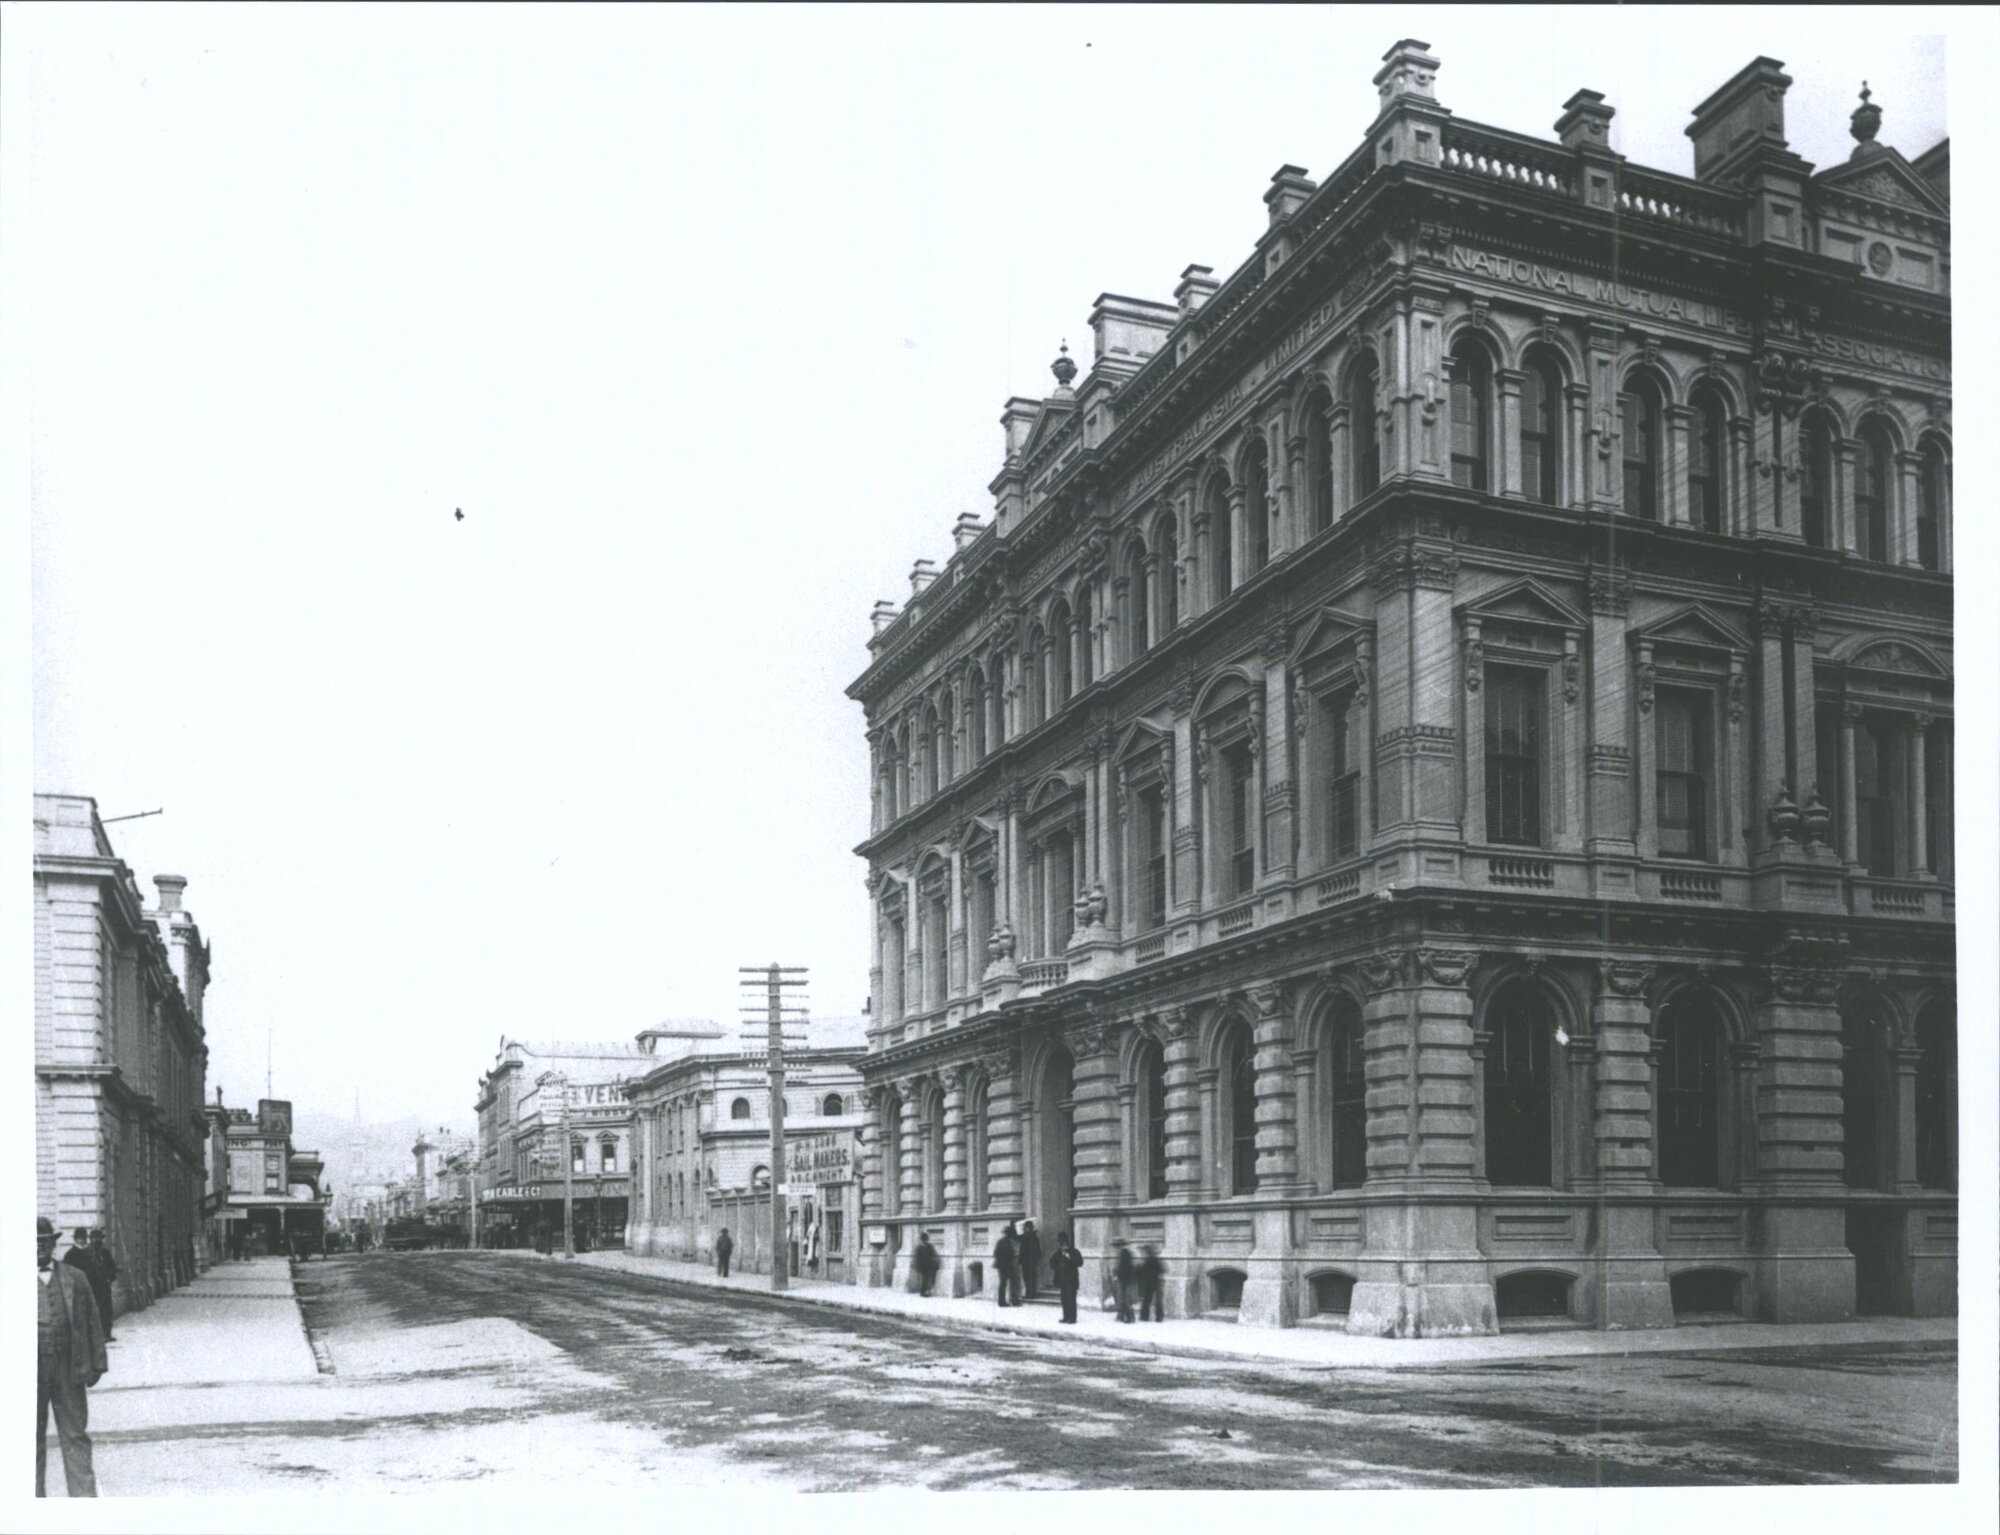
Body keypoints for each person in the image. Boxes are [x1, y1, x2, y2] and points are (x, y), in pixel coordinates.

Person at [39, 1217, 106, 1497]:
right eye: (32, 1243)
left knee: (75, 1434)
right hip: (28, 1370)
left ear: (53, 1244)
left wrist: (97, 1364)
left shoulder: (74, 1277)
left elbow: (93, 1319)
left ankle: (83, 1503)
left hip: (69, 1365)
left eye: (44, 1242)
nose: (38, 1248)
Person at [66, 1229, 113, 1344]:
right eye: (81, 1238)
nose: (83, 1240)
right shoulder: (70, 1254)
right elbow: (68, 1273)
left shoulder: (88, 1252)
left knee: (99, 1311)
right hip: (79, 1288)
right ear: (75, 1239)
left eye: (84, 1238)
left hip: (94, 1286)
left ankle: (103, 1334)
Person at [1049, 1230, 1083, 1324]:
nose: (1062, 1245)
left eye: (1063, 1242)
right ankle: (1066, 1316)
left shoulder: (1074, 1251)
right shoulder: (1059, 1252)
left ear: (1067, 1242)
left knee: (1071, 1298)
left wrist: (1070, 1258)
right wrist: (1057, 1268)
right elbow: (1051, 1261)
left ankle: (1072, 1318)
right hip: (1062, 1279)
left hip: (1072, 1279)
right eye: (1061, 1243)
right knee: (1064, 1298)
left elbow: (1080, 1263)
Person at [992, 1222, 1021, 1307]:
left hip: (1001, 1265)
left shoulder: (1001, 1241)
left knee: (1003, 1284)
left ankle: (1002, 1301)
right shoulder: (1007, 1242)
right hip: (1006, 1265)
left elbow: (996, 1253)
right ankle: (1013, 1301)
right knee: (1012, 1283)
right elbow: (1007, 1253)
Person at [1138, 1243, 1166, 1322]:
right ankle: (1159, 1317)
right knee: (1157, 1301)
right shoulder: (1156, 1259)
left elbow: (1143, 1271)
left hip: (1149, 1283)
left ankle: (1144, 1316)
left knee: (1147, 1300)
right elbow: (1162, 1270)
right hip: (1156, 1282)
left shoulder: (1148, 1260)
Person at [1112, 1238, 1137, 1323]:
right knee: (1122, 1298)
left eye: (1117, 1246)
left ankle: (1129, 1317)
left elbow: (1124, 1268)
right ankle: (1122, 1316)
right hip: (1124, 1279)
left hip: (1124, 1279)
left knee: (1125, 1299)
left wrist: (1118, 1276)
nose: (1116, 1248)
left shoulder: (1124, 1253)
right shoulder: (1124, 1253)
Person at [1018, 1219, 1043, 1301]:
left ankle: (1031, 1294)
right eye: (1026, 1228)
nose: (1026, 1229)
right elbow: (1016, 1237)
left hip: (1030, 1261)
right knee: (1027, 1277)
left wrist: (1035, 1259)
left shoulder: (1032, 1237)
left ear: (1030, 1228)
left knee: (1030, 1277)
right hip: (1026, 1261)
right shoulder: (1026, 1236)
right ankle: (1029, 1293)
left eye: (1027, 1228)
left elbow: (1038, 1250)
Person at [912, 1233, 940, 1297]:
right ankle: (923, 1292)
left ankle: (928, 1291)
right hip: (923, 1266)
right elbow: (917, 1259)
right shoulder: (919, 1248)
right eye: (923, 1239)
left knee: (930, 1279)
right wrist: (918, 1267)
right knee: (925, 1280)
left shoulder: (929, 1246)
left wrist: (935, 1262)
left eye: (925, 1239)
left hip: (930, 1265)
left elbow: (933, 1254)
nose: (924, 1241)